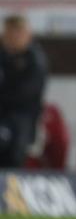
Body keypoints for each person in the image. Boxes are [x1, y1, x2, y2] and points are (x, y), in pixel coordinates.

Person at [0, 15, 48, 168]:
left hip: (22, 119)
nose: (14, 38)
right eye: (10, 33)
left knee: (14, 151)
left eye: (18, 33)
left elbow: (26, 95)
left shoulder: (34, 60)